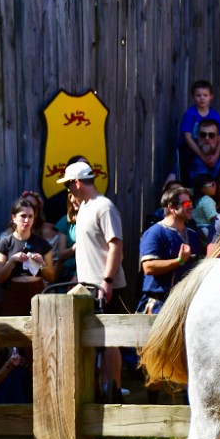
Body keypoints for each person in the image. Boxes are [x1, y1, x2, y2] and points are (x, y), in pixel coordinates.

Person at [56, 161, 130, 400]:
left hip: (106, 286)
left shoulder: (104, 207)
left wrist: (107, 280)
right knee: (91, 339)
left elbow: (116, 245)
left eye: (68, 183)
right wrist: (79, 278)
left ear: (77, 182)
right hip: (87, 285)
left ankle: (113, 393)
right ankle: (96, 392)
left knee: (110, 339)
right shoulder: (84, 207)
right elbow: (88, 249)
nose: (68, 189)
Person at [137, 186, 202, 315]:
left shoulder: (192, 235)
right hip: (160, 306)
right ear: (172, 208)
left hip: (186, 305)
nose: (190, 206)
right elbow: (149, 267)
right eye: (186, 203)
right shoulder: (155, 232)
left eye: (191, 202)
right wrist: (179, 261)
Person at [0, 197, 55, 315]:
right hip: (14, 293)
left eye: (30, 216)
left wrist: (41, 264)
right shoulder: (5, 243)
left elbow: (51, 277)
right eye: (23, 216)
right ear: (14, 218)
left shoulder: (42, 244)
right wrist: (12, 261)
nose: (27, 220)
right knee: (13, 332)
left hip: (37, 292)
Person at [178, 79, 220, 181]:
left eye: (205, 95)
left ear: (211, 96)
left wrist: (215, 156)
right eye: (198, 95)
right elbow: (188, 137)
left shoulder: (215, 116)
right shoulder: (190, 114)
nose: (202, 98)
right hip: (191, 147)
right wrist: (202, 156)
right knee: (186, 157)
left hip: (210, 146)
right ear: (193, 97)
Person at [21, 190, 66, 282]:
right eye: (25, 205)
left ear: (38, 210)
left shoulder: (50, 234)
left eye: (33, 206)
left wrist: (41, 264)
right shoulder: (9, 236)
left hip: (44, 288)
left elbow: (54, 272)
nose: (29, 209)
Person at [188, 118, 220, 183]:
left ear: (218, 138)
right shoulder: (187, 160)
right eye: (203, 135)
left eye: (211, 135)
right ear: (197, 137)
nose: (207, 138)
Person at [191, 173, 218, 242]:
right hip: (207, 231)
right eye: (212, 184)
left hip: (198, 232)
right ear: (202, 188)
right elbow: (213, 218)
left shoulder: (196, 200)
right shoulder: (206, 200)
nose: (215, 186)